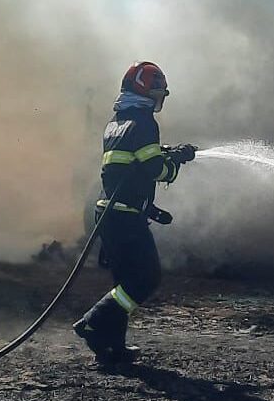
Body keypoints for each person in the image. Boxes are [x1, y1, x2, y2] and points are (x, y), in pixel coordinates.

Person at [73, 61, 196, 364]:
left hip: (110, 213)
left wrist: (168, 151)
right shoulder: (144, 122)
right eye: (159, 92)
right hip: (125, 217)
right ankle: (94, 322)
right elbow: (154, 169)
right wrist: (174, 163)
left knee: (124, 281)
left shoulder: (118, 121)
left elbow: (131, 163)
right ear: (146, 91)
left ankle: (112, 346)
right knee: (145, 279)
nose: (161, 98)